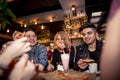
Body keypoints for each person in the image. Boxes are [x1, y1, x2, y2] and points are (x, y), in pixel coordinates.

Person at [100, 0, 120, 80]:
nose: (86, 36)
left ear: (96, 35)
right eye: (83, 34)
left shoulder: (102, 46)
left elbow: (109, 74)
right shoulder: (80, 49)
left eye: (89, 33)